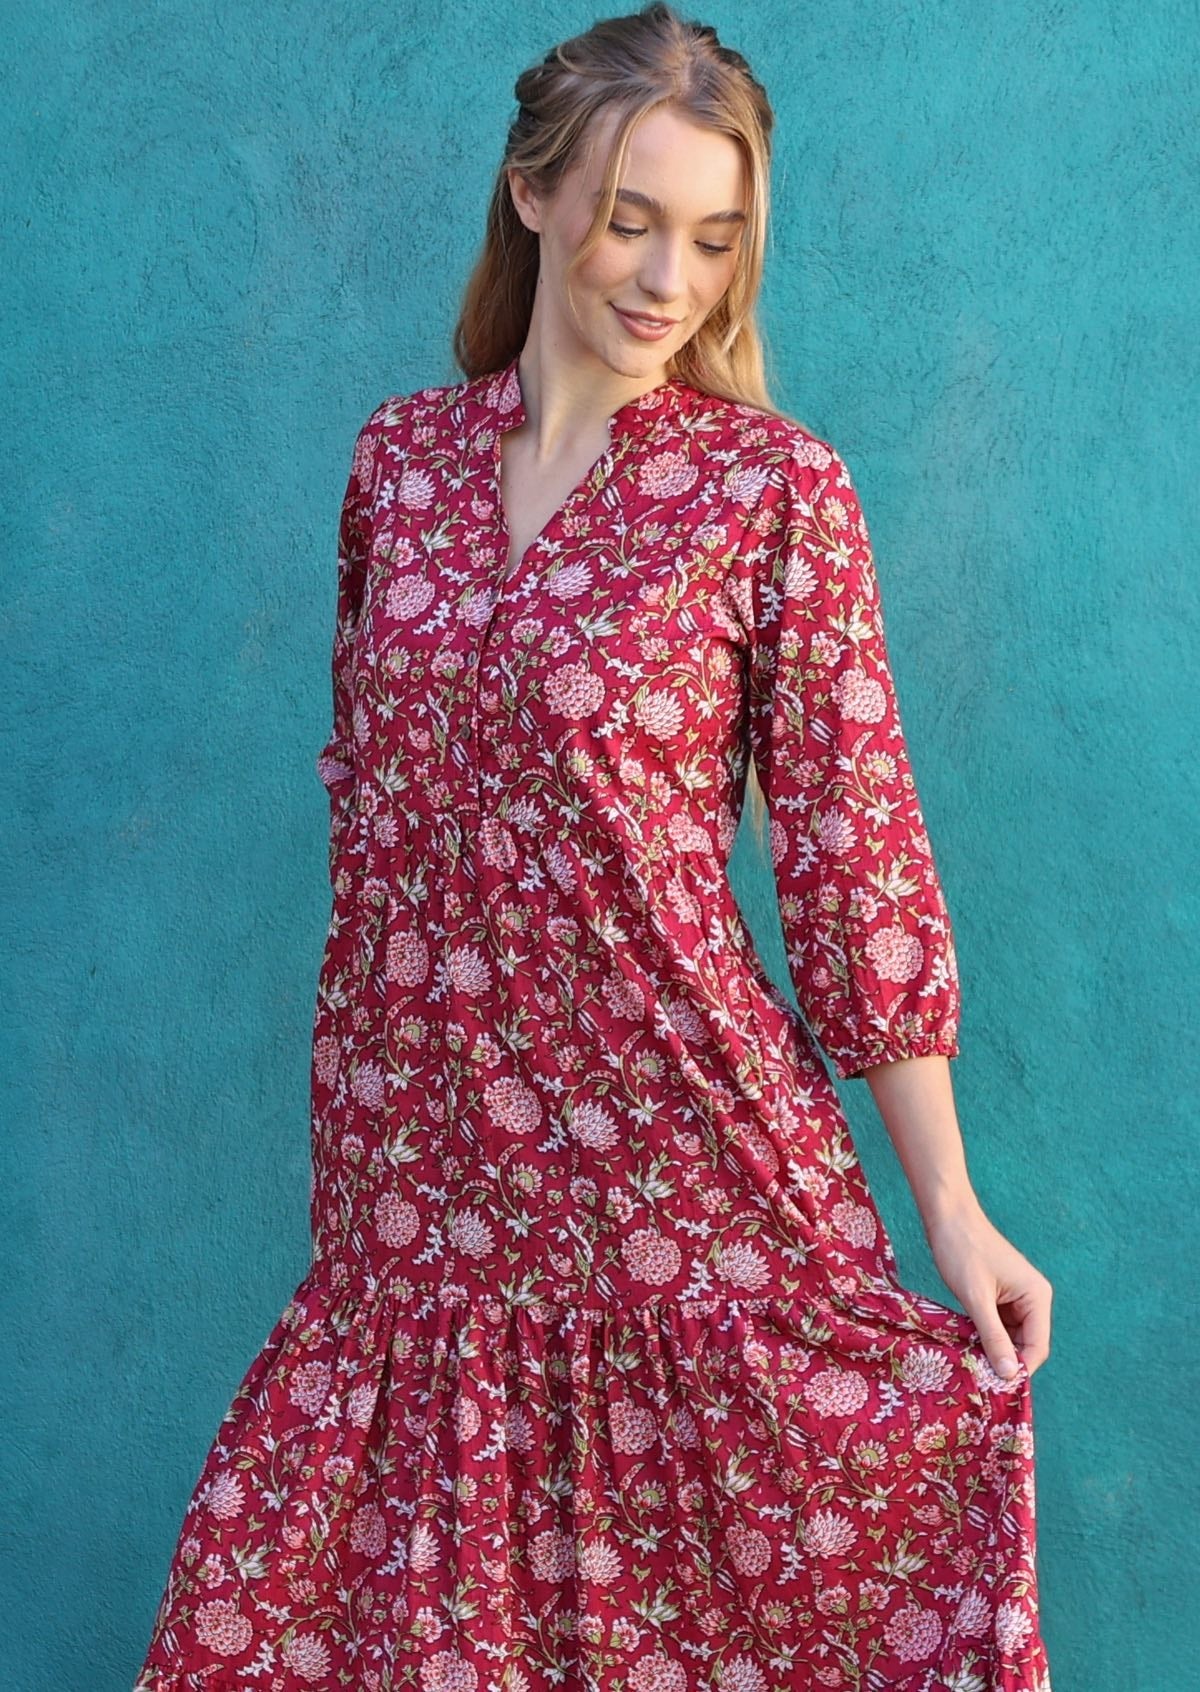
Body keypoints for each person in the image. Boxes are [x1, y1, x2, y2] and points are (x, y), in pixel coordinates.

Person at [133, 5, 1054, 1689]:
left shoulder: (774, 497)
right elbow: (384, 835)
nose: (666, 280)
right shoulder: (395, 471)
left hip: (682, 1167)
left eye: (713, 239)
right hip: (414, 1203)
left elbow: (857, 864)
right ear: (534, 196)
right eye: (632, 220)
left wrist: (954, 1207)